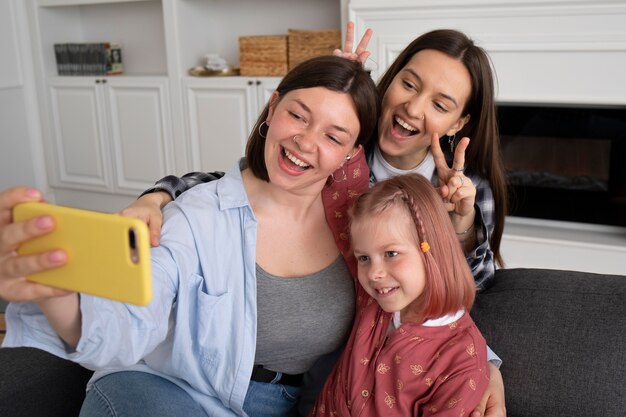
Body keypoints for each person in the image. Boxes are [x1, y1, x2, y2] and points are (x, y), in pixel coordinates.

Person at [120, 25, 507, 416]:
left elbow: (463, 294)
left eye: (440, 106)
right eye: (409, 84)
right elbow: (247, 183)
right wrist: (159, 195)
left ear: (459, 123)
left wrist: (482, 363)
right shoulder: (342, 154)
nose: (414, 108)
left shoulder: (466, 189)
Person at [0, 55, 380, 417]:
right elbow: (133, 316)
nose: (306, 141)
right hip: (174, 391)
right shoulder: (197, 213)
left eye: (333, 137)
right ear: (273, 106)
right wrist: (60, 293)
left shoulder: (356, 225)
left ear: (350, 154)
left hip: (290, 402)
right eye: (298, 116)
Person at [312, 173, 490, 416]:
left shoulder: (462, 359)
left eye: (391, 254)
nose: (374, 273)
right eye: (364, 258)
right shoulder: (373, 300)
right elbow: (342, 188)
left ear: (432, 250)